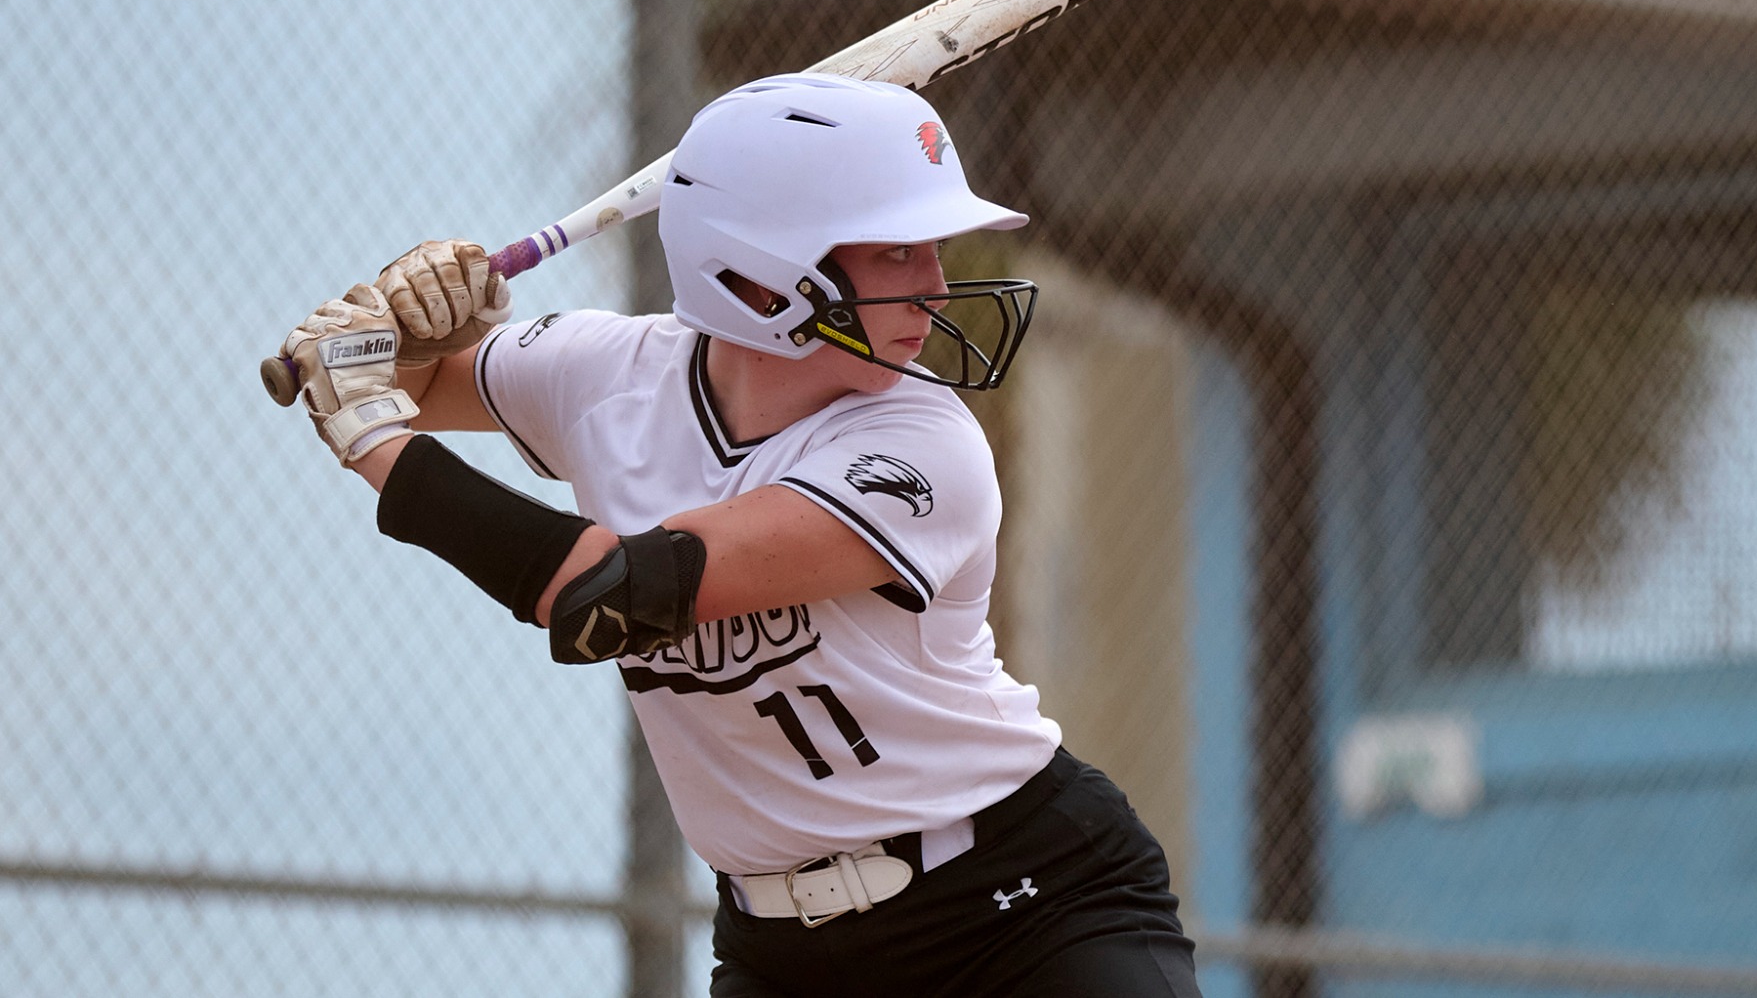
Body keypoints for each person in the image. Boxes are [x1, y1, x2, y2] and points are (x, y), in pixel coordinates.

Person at [276, 73, 1202, 997]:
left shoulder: (924, 444)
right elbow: (373, 375)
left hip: (1021, 908)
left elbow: (616, 600)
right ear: (764, 275)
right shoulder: (604, 375)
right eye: (894, 254)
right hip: (784, 955)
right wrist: (419, 326)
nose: (937, 286)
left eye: (931, 249)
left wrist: (378, 445)